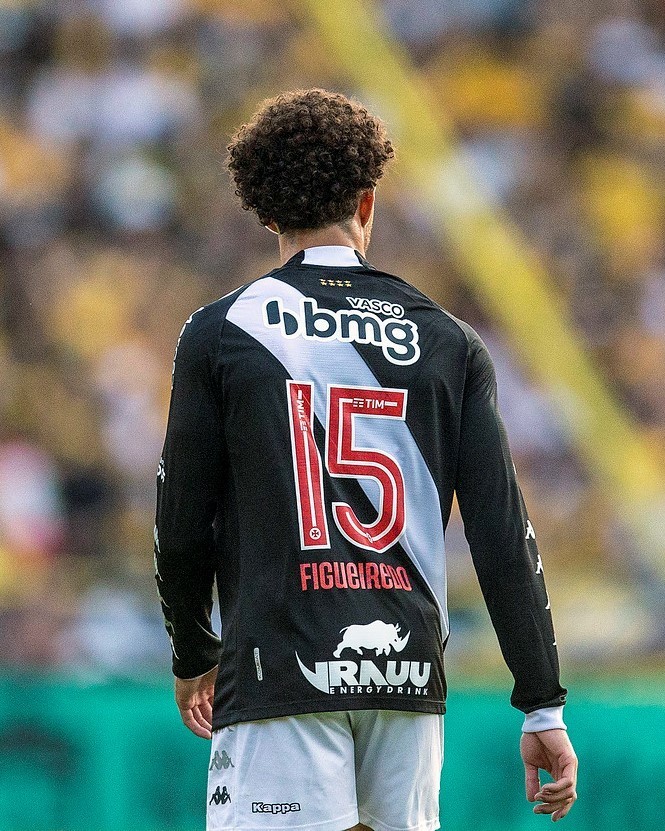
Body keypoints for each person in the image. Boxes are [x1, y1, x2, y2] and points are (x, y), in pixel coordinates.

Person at [154, 88, 578, 831]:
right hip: (406, 672)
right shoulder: (448, 339)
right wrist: (540, 700)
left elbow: (182, 520)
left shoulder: (223, 330)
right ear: (366, 201)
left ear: (267, 214)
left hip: (278, 667)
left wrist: (194, 649)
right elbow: (502, 534)